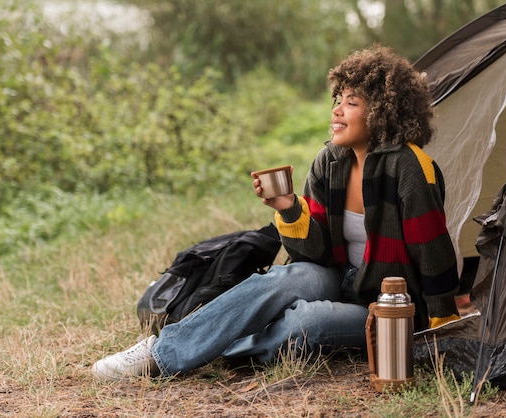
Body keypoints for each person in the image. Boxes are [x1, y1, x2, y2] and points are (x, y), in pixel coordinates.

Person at [92, 45, 461, 381]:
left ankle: (211, 346)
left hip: (389, 306)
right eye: (337, 99)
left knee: (307, 320)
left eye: (352, 102)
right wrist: (288, 210)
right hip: (338, 277)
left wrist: (441, 323)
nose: (336, 109)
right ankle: (161, 352)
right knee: (282, 280)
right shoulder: (328, 162)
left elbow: (432, 248)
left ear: (383, 111)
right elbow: (311, 255)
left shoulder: (411, 167)